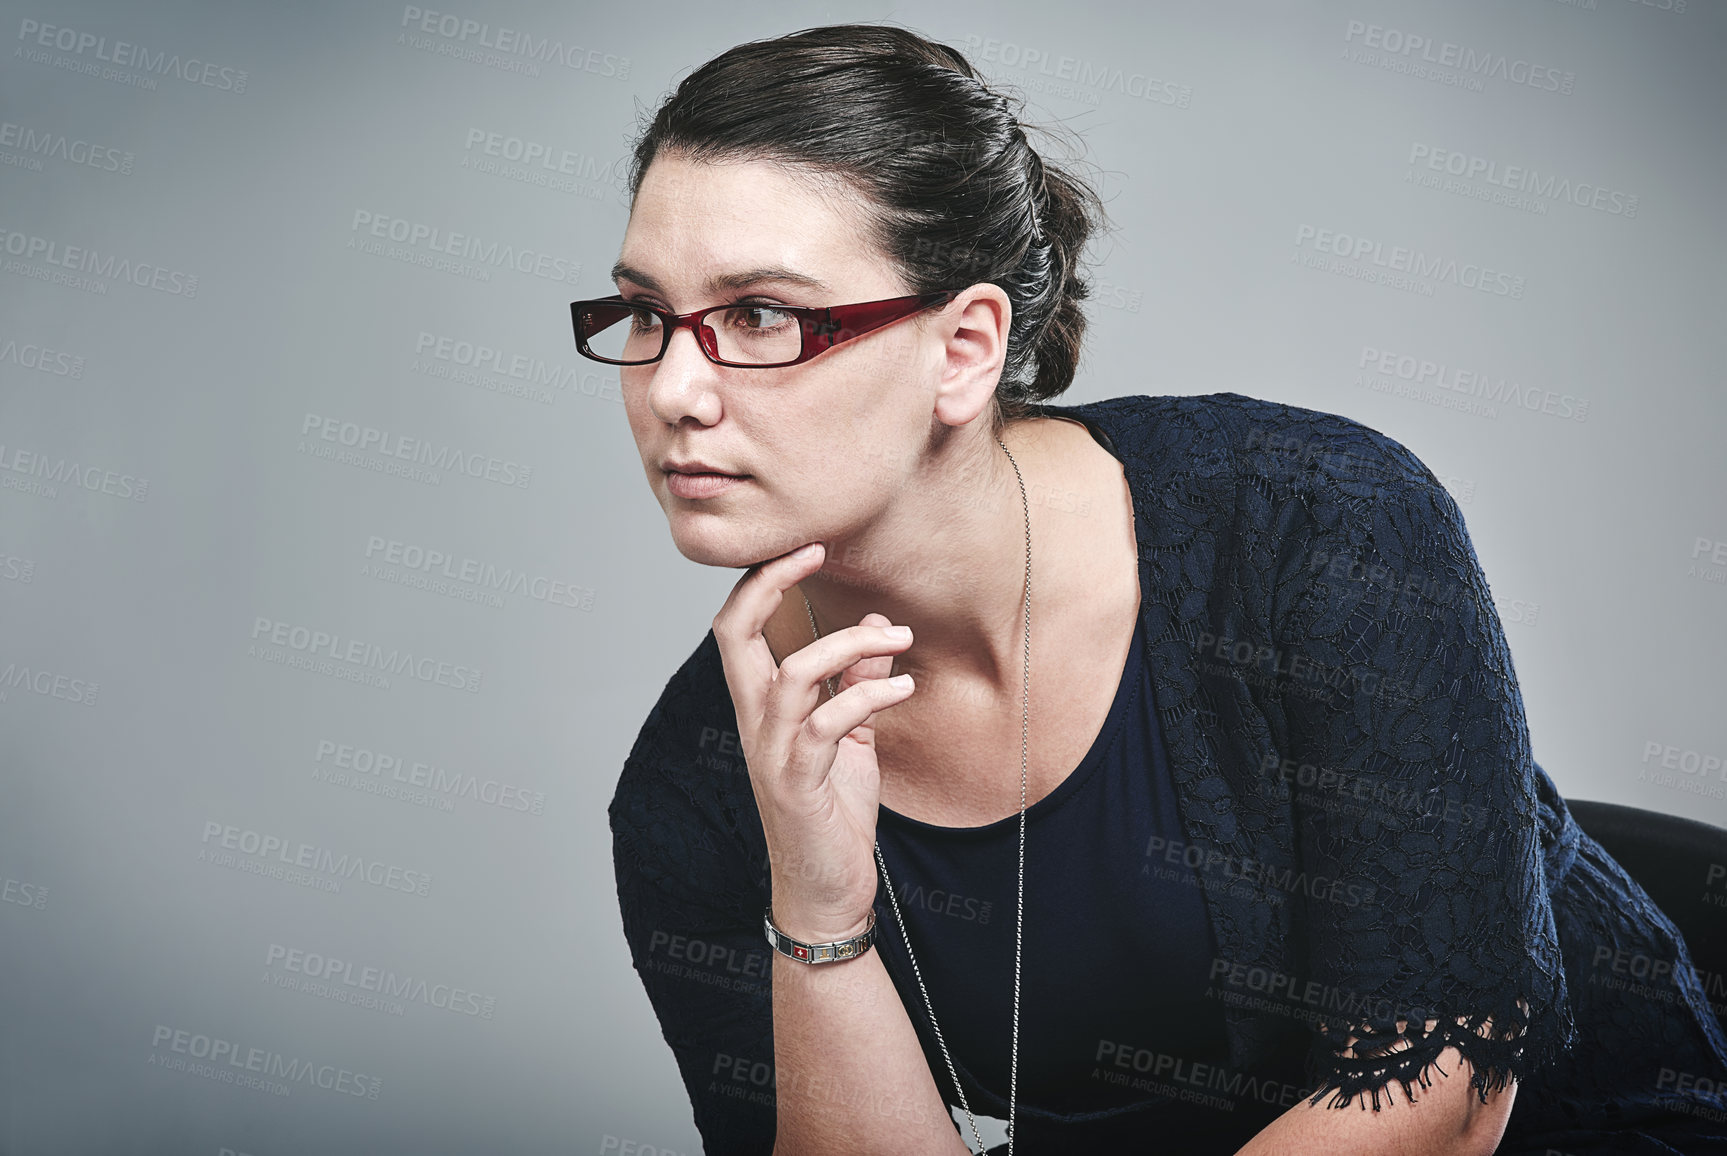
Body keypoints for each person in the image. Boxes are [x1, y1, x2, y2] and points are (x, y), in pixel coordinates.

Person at [595, 23, 1727, 1155]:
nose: (673, 389)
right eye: (646, 313)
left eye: (758, 316)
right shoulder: (690, 787)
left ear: (964, 348)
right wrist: (818, 909)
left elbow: (1441, 1099)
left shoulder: (1316, 525)